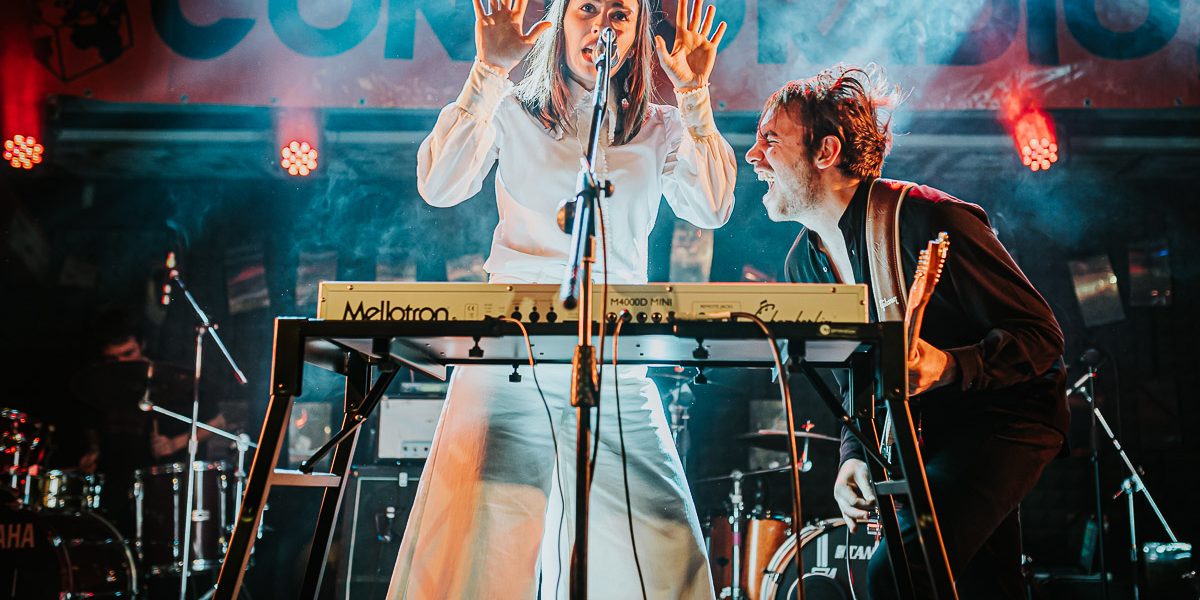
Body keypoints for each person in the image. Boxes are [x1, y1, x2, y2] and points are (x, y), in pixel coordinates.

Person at [385, 0, 736, 597]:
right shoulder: (514, 112)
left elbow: (712, 206)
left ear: (637, 34)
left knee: (663, 553)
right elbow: (439, 183)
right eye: (588, 9)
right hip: (505, 367)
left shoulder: (658, 125)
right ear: (562, 21)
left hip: (613, 363)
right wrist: (488, 73)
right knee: (479, 561)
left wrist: (695, 95)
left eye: (621, 14)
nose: (603, 24)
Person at [745, 65, 1069, 599]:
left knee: (897, 573)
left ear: (825, 152)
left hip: (1007, 416)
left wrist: (946, 364)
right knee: (981, 586)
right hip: (924, 431)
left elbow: (1041, 338)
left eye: (770, 140)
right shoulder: (804, 263)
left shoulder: (930, 219)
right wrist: (852, 454)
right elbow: (856, 377)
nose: (754, 157)